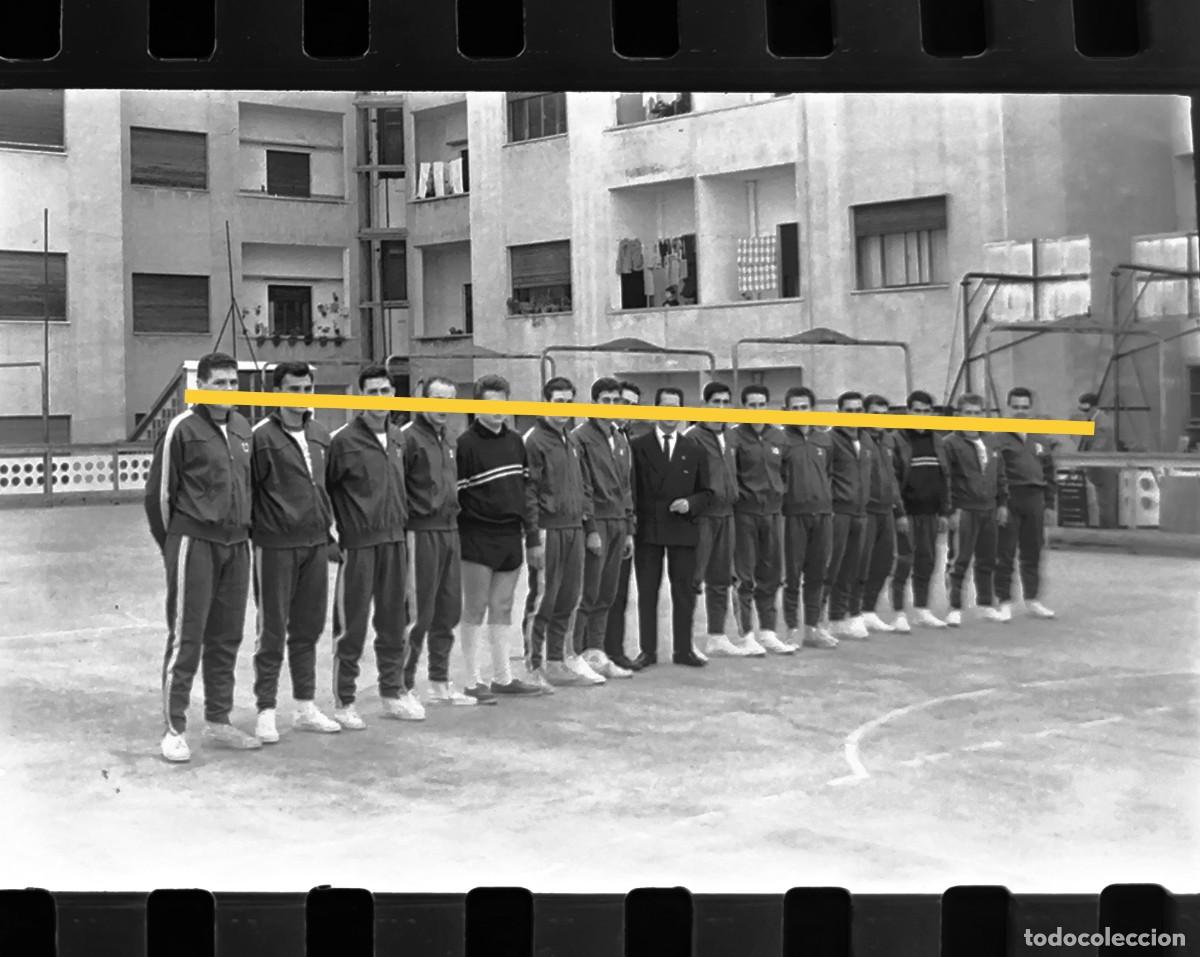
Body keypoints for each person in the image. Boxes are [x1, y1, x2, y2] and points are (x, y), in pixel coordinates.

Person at [145, 351, 260, 763]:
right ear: (201, 385)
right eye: (219, 383)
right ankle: (174, 728)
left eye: (233, 383)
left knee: (227, 636)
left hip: (237, 544)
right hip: (194, 542)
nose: (227, 390)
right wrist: (174, 545)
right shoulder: (182, 428)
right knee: (187, 637)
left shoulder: (244, 429)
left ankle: (219, 720)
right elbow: (159, 496)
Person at [248, 361, 342, 744]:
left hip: (315, 545)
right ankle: (265, 711)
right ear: (277, 392)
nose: (301, 396)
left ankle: (305, 706)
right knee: (272, 630)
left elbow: (327, 488)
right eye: (293, 389)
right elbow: (248, 493)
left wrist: (329, 535)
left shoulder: (321, 435)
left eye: (307, 389)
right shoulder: (260, 438)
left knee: (308, 628)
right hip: (275, 547)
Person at [326, 365, 418, 728]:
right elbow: (324, 490)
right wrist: (331, 536)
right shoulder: (342, 441)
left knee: (395, 622)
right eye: (372, 392)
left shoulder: (398, 438)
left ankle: (392, 693)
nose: (379, 398)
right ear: (360, 397)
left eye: (385, 391)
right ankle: (344, 701)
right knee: (352, 625)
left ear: (394, 394)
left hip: (395, 541)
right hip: (359, 545)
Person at [400, 376, 496, 706]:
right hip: (420, 532)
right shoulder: (407, 439)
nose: (444, 407)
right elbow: (398, 489)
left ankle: (439, 682)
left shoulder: (450, 439)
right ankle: (402, 685)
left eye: (450, 400)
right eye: (437, 399)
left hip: (450, 531)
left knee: (448, 610)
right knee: (418, 614)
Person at [456, 374, 548, 694]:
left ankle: (503, 677)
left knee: (503, 606)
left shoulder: (516, 442)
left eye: (503, 403)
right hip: (477, 535)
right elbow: (457, 497)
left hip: (510, 535)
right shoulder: (465, 445)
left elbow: (526, 492)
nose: (498, 410)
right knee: (475, 607)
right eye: (490, 404)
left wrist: (531, 536)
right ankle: (471, 681)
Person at [522, 376, 600, 687]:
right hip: (548, 530)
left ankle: (557, 661)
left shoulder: (571, 440)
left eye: (569, 402)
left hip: (574, 529)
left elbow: (584, 486)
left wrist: (590, 527)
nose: (564, 408)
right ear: (546, 403)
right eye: (558, 402)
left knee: (569, 598)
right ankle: (533, 666)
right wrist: (533, 537)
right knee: (544, 599)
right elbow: (529, 491)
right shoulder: (534, 441)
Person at [630, 387, 713, 667]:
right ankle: (648, 651)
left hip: (683, 528)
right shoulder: (638, 447)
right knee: (647, 592)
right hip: (649, 529)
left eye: (676, 407)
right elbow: (632, 489)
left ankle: (683, 650)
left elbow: (707, 492)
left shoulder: (694, 450)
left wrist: (690, 503)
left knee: (684, 593)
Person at [572, 376, 638, 678]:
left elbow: (626, 488)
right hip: (597, 521)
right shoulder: (581, 438)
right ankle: (574, 654)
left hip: (618, 523)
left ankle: (596, 652)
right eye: (606, 400)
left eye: (616, 401)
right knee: (588, 591)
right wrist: (591, 529)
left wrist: (629, 529)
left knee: (607, 592)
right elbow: (583, 487)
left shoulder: (620, 438)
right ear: (594, 402)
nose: (612, 406)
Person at [683, 382, 751, 658]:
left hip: (727, 515)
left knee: (721, 578)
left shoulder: (731, 437)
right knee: (692, 579)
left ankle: (717, 636)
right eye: (715, 402)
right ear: (704, 404)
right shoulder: (692, 438)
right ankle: (684, 641)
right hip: (702, 518)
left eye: (725, 402)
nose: (721, 407)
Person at [730, 384, 794, 654]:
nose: (757, 409)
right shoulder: (734, 437)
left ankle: (768, 632)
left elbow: (786, 473)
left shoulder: (779, 437)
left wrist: (779, 496)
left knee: (771, 574)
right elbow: (731, 475)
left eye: (761, 404)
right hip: (745, 515)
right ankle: (746, 635)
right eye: (752, 405)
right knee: (745, 576)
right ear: (744, 407)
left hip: (773, 514)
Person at [943, 394, 1009, 625]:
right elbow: (946, 478)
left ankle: (985, 604)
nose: (973, 417)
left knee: (988, 559)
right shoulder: (950, 444)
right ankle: (954, 607)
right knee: (959, 560)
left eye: (977, 413)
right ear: (958, 415)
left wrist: (1002, 503)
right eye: (968, 413)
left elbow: (1000, 475)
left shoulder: (991, 441)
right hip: (964, 509)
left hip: (989, 508)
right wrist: (951, 510)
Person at [780, 386, 837, 649]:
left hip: (822, 515)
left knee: (817, 573)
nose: (800, 412)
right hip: (793, 516)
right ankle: (792, 629)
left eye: (804, 407)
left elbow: (829, 473)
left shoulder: (824, 440)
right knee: (792, 575)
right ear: (787, 410)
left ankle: (813, 628)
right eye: (795, 408)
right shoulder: (781, 441)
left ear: (812, 409)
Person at [993, 386, 1058, 620]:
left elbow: (1049, 472)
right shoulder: (998, 438)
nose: (1020, 411)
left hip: (1035, 499)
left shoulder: (1040, 438)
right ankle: (1004, 601)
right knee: (1005, 552)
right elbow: (994, 473)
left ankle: (1032, 599)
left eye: (1025, 407)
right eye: (1016, 407)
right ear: (1008, 407)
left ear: (1031, 408)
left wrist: (1049, 504)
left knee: (1033, 551)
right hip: (1010, 498)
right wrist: (999, 503)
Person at [890, 390, 953, 632]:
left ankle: (922, 609)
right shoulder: (897, 440)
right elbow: (893, 480)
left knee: (927, 561)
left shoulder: (938, 441)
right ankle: (898, 613)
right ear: (908, 411)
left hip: (931, 513)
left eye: (926, 411)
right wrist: (899, 513)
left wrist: (945, 512)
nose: (921, 415)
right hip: (907, 513)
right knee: (904, 561)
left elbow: (944, 477)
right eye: (917, 410)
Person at [855, 395, 909, 634]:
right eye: (875, 413)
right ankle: (853, 613)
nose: (879, 419)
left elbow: (892, 478)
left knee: (884, 562)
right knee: (860, 563)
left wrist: (900, 511)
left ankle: (868, 610)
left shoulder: (888, 440)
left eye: (884, 414)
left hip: (887, 510)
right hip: (865, 510)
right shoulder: (858, 439)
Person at [604, 380, 647, 669]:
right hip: (602, 525)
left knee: (619, 592)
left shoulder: (627, 439)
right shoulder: (595, 437)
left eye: (633, 405)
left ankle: (614, 650)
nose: (627, 409)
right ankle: (592, 650)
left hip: (625, 525)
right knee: (598, 593)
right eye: (623, 402)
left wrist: (630, 526)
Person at [825, 391, 875, 641]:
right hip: (838, 512)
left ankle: (838, 619)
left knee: (851, 568)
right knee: (831, 566)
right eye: (848, 411)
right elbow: (824, 475)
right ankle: (817, 621)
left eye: (858, 410)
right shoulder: (830, 440)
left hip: (860, 512)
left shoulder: (866, 440)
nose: (854, 415)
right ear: (839, 413)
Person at [1073, 391, 1118, 528]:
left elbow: (1098, 448)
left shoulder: (1102, 423)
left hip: (1104, 470)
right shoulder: (1093, 421)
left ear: (1093, 407)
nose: (1084, 414)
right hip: (1096, 470)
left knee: (1105, 506)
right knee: (1100, 505)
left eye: (1086, 410)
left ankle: (1108, 535)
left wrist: (1082, 462)